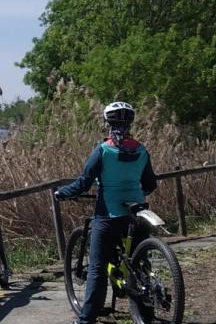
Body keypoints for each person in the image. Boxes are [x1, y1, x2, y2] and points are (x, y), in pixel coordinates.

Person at [55, 101, 158, 324]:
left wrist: (62, 193)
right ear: (130, 123)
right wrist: (135, 192)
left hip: (109, 214)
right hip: (138, 212)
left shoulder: (103, 150)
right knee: (140, 262)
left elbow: (84, 183)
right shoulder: (141, 150)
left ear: (106, 123)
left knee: (97, 269)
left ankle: (86, 321)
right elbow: (150, 183)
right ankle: (146, 313)